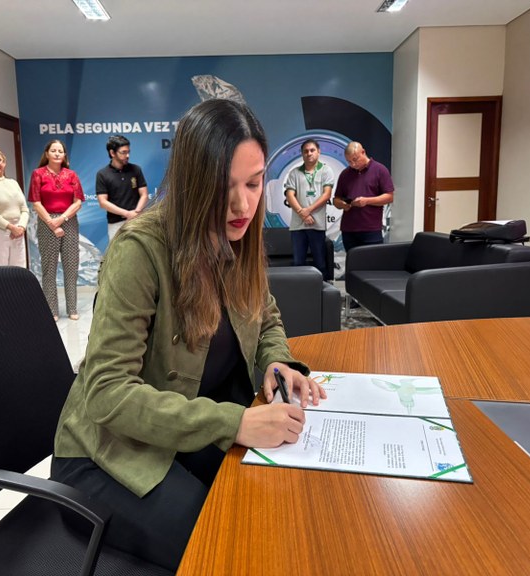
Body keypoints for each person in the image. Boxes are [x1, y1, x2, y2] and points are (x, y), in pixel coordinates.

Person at [52, 99, 326, 571]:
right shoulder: (141, 251)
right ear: (191, 185)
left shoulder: (241, 236)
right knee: (228, 540)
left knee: (280, 510)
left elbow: (267, 319)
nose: (242, 204)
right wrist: (233, 424)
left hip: (187, 429)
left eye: (254, 182)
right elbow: (108, 394)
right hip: (109, 451)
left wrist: (277, 362)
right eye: (224, 188)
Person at [28, 139, 85, 321]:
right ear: (47, 153)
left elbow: (77, 202)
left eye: (60, 151)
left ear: (64, 155)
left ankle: (72, 309)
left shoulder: (71, 175)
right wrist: (51, 222)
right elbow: (36, 203)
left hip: (68, 221)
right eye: (53, 150)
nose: (57, 153)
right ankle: (51, 310)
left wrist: (61, 219)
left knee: (71, 267)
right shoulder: (38, 174)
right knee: (49, 268)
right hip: (46, 222)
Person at [284, 139, 335, 280]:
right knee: (298, 262)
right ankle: (299, 292)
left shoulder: (326, 170)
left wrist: (308, 210)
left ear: (319, 151)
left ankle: (322, 292)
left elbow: (327, 195)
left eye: (312, 150)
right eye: (305, 151)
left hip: (317, 225)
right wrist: (303, 213)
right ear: (301, 154)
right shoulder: (294, 173)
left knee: (320, 262)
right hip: (298, 226)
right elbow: (289, 195)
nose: (309, 153)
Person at [333, 141, 394, 252]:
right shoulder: (345, 174)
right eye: (349, 161)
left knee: (372, 265)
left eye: (355, 160)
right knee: (353, 264)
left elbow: (389, 197)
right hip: (349, 230)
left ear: (363, 152)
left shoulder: (380, 170)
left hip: (371, 229)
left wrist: (367, 201)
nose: (353, 164)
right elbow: (336, 199)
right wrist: (342, 204)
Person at [96, 135, 149, 240]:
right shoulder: (102, 174)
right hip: (115, 223)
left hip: (137, 220)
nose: (127, 155)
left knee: (138, 254)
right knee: (117, 255)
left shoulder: (136, 169)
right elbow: (103, 202)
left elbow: (144, 194)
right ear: (112, 153)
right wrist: (127, 214)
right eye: (123, 152)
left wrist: (136, 213)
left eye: (128, 152)